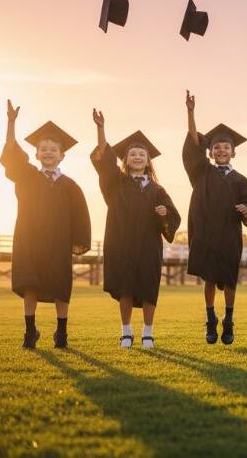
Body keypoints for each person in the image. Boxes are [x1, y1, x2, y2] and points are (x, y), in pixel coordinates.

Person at [1, 100, 90, 349]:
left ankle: (61, 333)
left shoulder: (71, 186)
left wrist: (76, 242)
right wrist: (11, 123)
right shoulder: (27, 176)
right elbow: (11, 153)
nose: (48, 152)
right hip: (29, 241)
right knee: (31, 284)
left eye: (53, 149)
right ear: (37, 154)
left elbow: (80, 216)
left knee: (61, 286)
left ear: (62, 155)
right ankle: (30, 332)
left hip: (59, 243)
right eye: (43, 149)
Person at [91, 109, 180, 349]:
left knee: (149, 289)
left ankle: (148, 333)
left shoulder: (157, 190)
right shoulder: (116, 184)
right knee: (126, 288)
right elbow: (105, 161)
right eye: (133, 154)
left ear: (148, 160)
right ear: (126, 159)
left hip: (149, 246)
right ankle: (126, 332)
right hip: (122, 244)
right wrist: (101, 129)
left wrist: (164, 216)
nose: (138, 157)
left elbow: (173, 216)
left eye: (142, 154)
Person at [183, 90, 247, 345]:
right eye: (216, 147)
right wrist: (191, 113)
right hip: (205, 234)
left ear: (233, 152)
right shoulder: (201, 172)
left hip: (229, 236)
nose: (221, 150)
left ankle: (228, 320)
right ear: (210, 151)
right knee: (208, 277)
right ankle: (210, 319)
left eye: (226, 147)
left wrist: (246, 211)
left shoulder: (242, 181)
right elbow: (194, 145)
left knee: (229, 279)